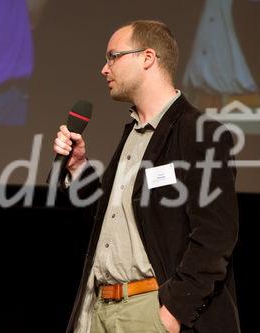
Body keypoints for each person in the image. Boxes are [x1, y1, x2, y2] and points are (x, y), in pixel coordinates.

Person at [53, 20, 239, 333]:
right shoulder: (134, 135)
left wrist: (171, 313)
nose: (104, 68)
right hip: (100, 308)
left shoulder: (200, 132)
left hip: (148, 310)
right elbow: (112, 223)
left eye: (113, 56)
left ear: (148, 58)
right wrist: (78, 168)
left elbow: (216, 236)